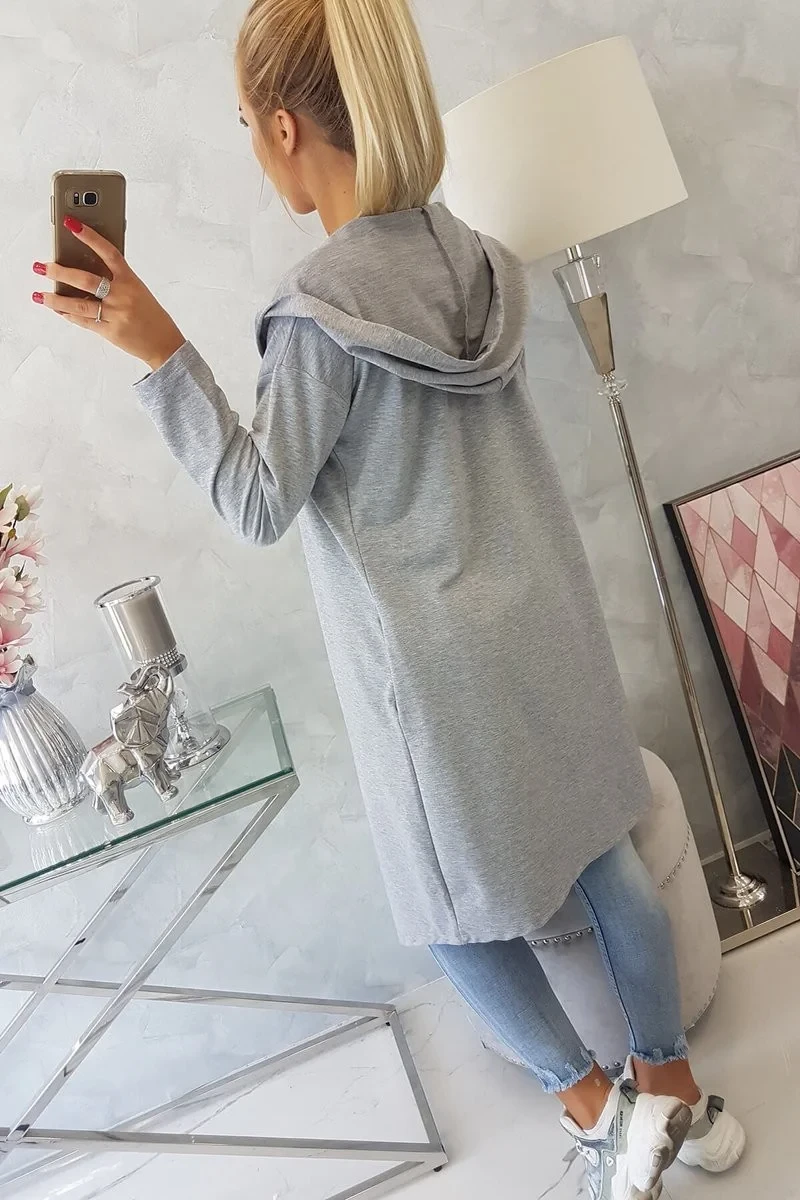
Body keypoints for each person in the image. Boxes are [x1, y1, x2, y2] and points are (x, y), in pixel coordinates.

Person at [32, 0, 744, 1194]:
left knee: (447, 919)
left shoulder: (316, 314)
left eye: (245, 125)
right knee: (599, 852)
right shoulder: (474, 258)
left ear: (283, 127)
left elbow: (257, 501)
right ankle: (668, 1087)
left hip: (430, 675)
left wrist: (161, 353)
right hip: (542, 620)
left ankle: (595, 1116)